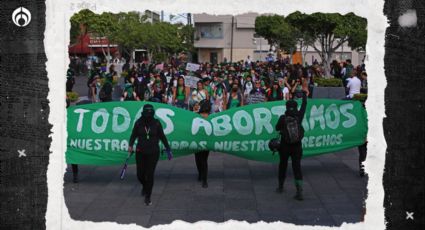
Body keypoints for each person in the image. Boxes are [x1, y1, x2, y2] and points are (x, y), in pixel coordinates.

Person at [128, 104, 172, 206]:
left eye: (150, 114)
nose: (148, 116)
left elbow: (162, 136)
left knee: (150, 174)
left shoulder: (156, 123)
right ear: (143, 113)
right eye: (146, 114)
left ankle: (148, 196)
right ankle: (145, 186)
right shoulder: (138, 123)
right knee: (140, 174)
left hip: (153, 152)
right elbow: (133, 135)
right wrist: (130, 145)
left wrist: (168, 148)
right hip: (140, 152)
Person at [275, 90, 307, 200]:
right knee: (297, 167)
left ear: (286, 107)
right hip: (297, 147)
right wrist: (304, 95)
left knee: (283, 165)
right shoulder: (299, 116)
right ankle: (299, 191)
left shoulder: (283, 118)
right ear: (296, 107)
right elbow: (304, 105)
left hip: (284, 146)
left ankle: (280, 186)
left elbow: (277, 128)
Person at [194, 100, 211, 188]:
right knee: (197, 159)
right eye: (203, 112)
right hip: (196, 142)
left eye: (206, 112)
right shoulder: (196, 116)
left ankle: (204, 180)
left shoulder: (211, 118)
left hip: (205, 143)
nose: (204, 114)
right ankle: (200, 174)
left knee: (203, 160)